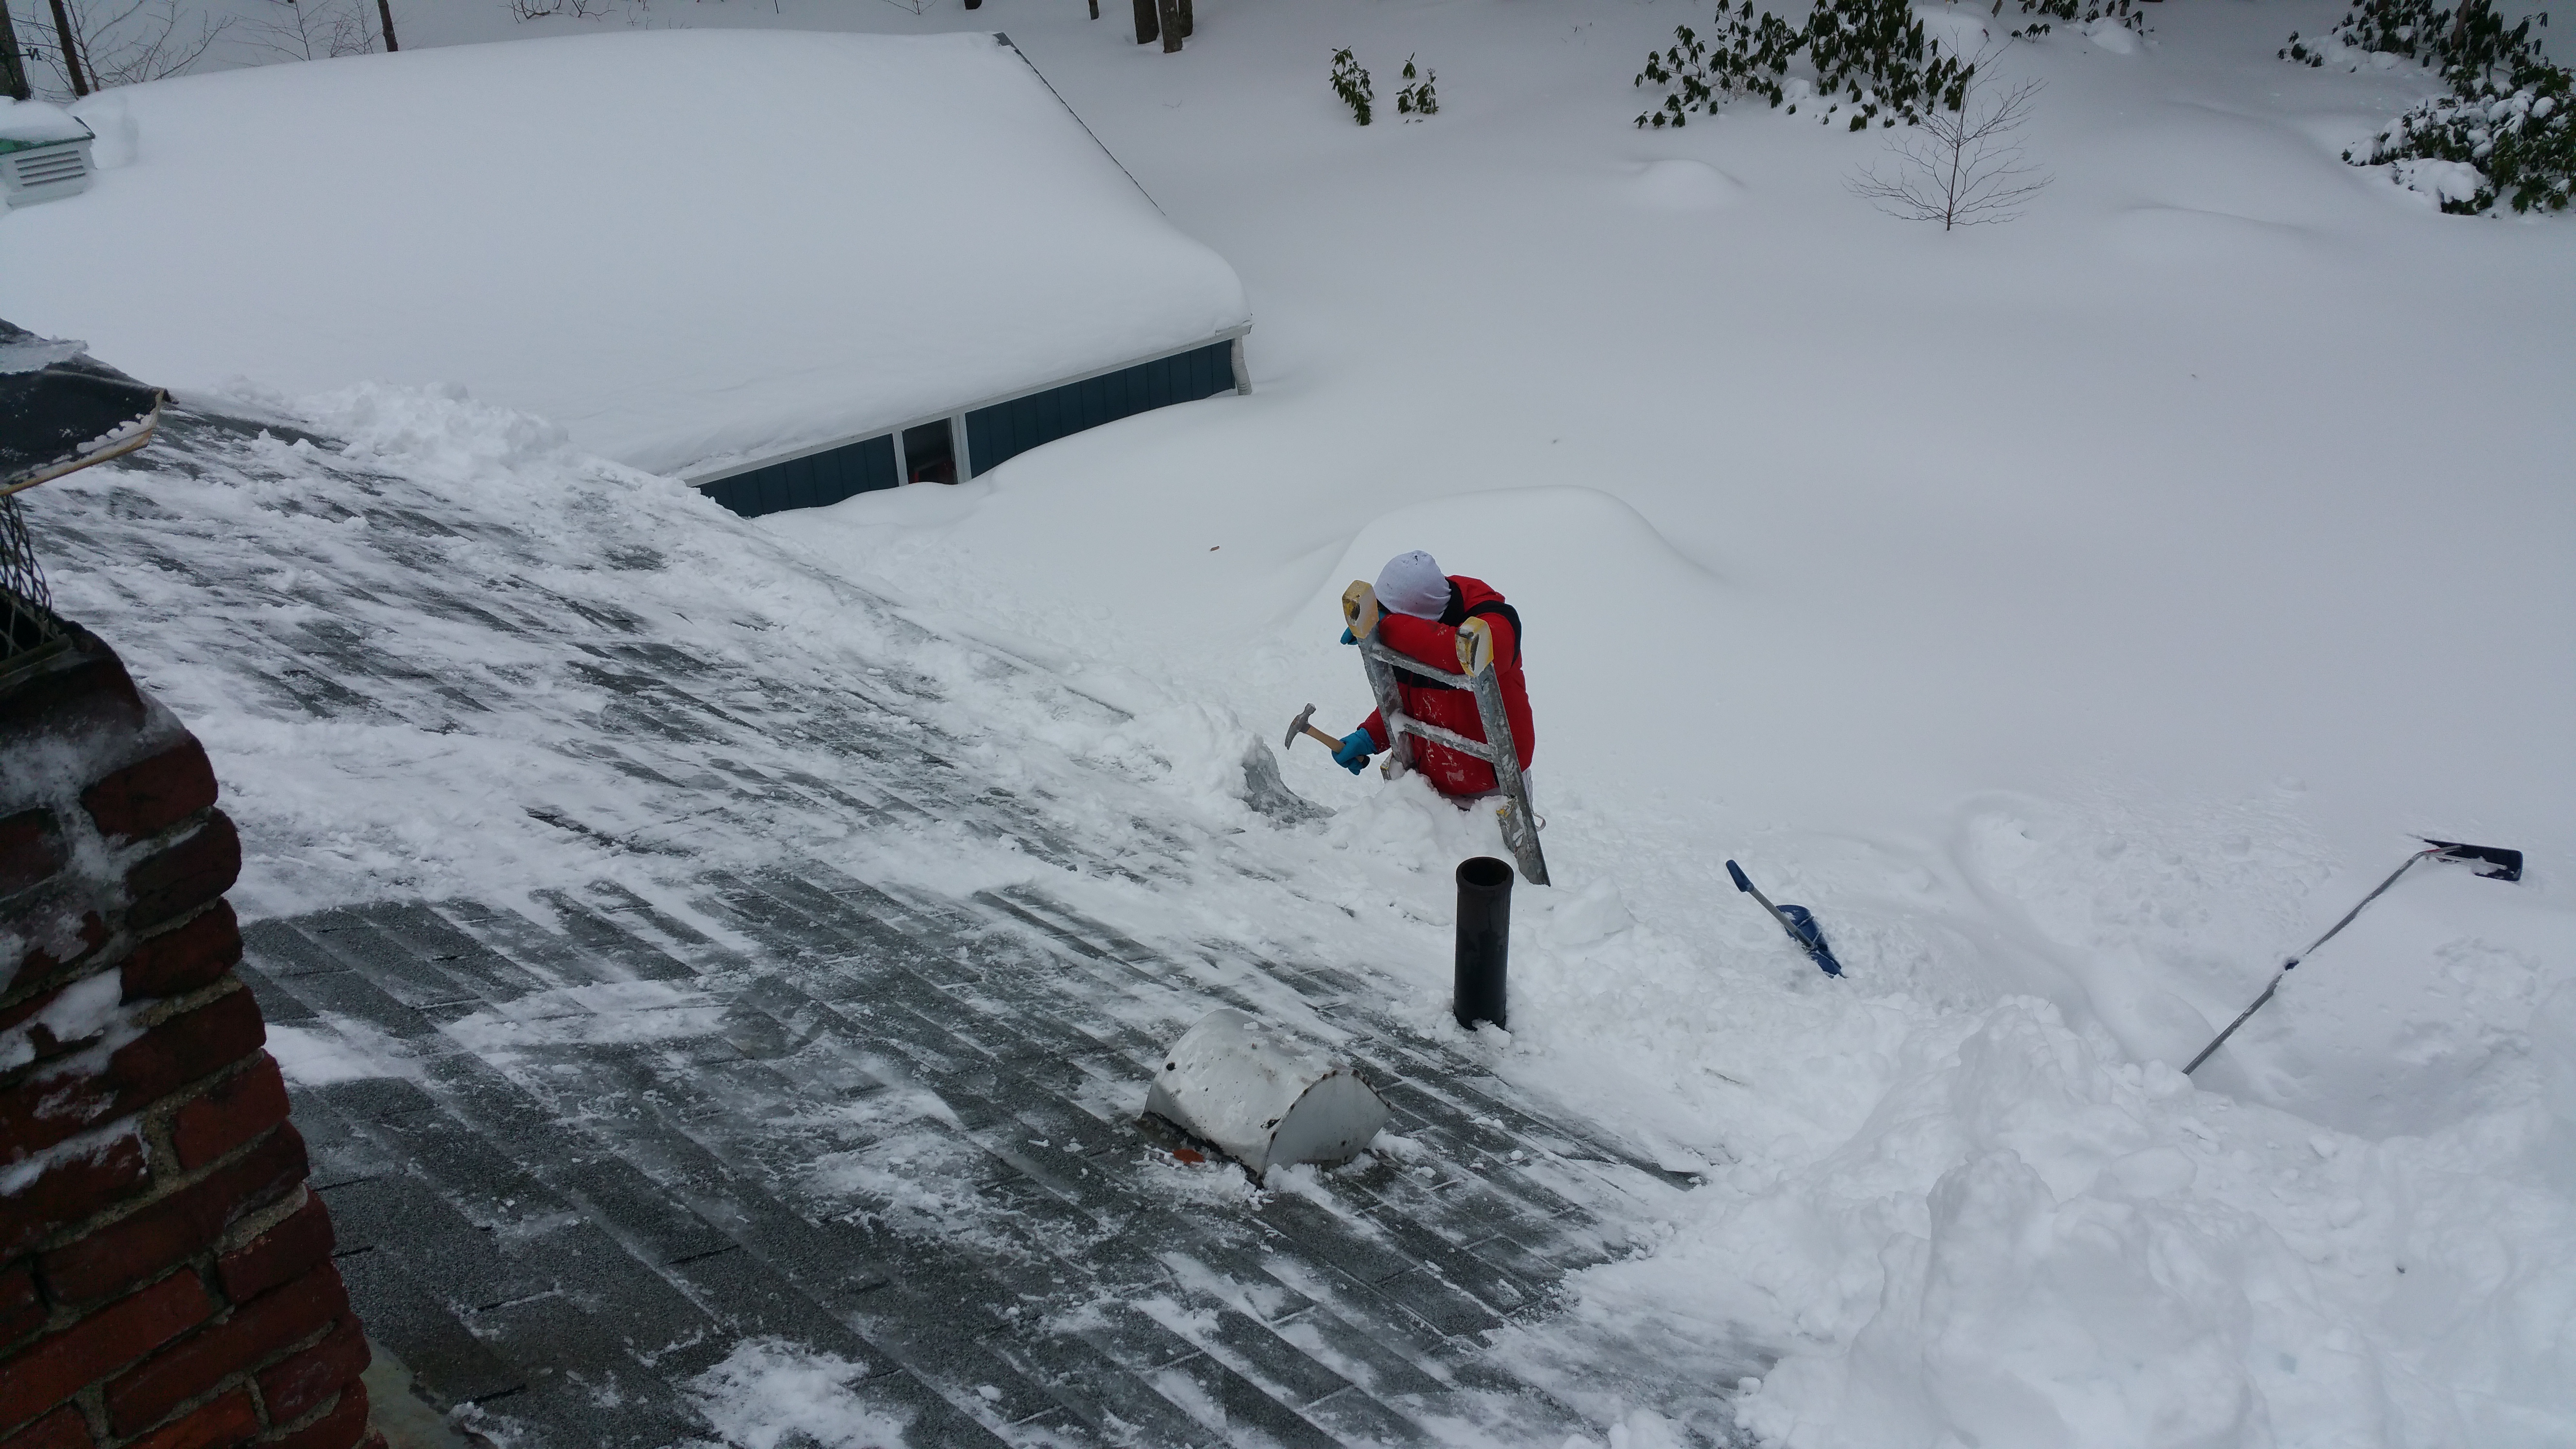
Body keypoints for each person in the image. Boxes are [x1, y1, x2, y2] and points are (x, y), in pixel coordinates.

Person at [1333, 550, 1535, 800]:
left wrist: (1387, 627)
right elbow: (1411, 701)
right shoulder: (1413, 628)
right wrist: (1371, 736)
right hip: (1429, 788)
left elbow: (1463, 653)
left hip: (1495, 792)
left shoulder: (1496, 620)